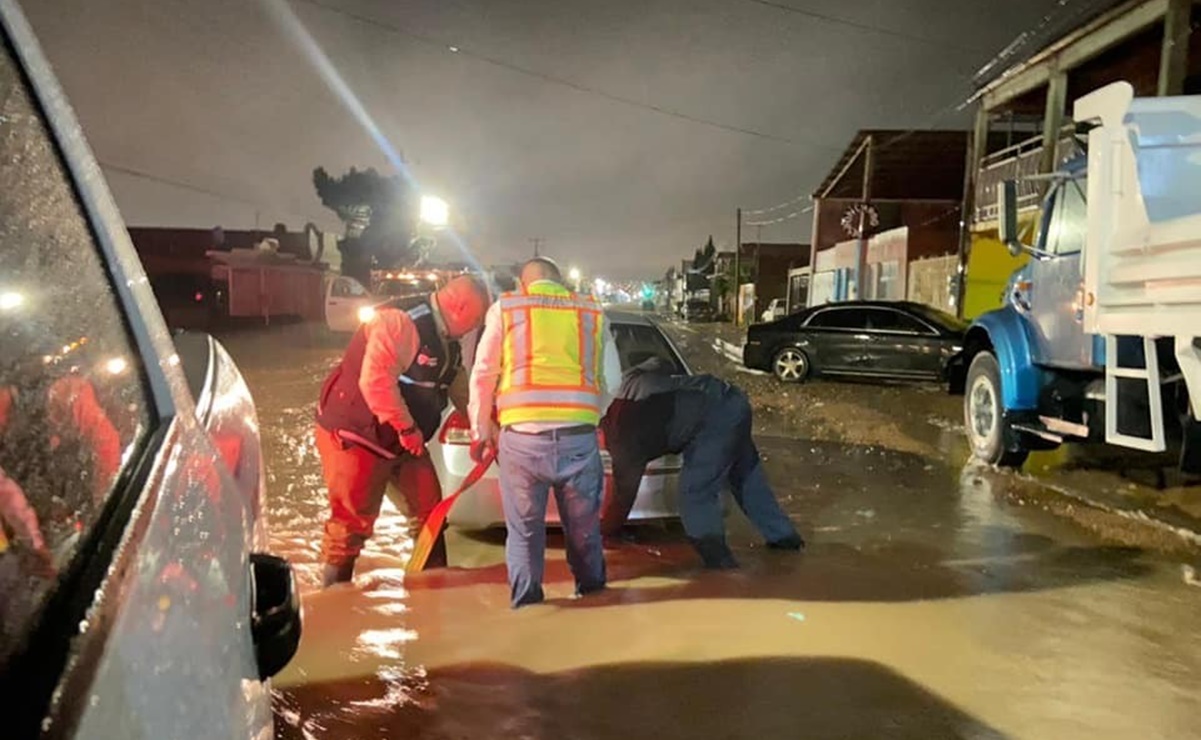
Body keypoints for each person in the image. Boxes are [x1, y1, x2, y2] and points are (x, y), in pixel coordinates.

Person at [315, 274, 489, 587]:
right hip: (359, 437)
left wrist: (485, 428)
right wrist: (408, 429)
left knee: (430, 515)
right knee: (350, 528)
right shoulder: (398, 322)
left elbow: (459, 387)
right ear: (459, 306)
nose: (475, 327)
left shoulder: (447, 339)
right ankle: (333, 601)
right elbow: (376, 382)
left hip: (403, 441)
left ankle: (431, 596)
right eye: (476, 319)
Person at [468, 257, 622, 608]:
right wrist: (590, 414)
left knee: (524, 535)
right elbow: (613, 380)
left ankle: (527, 611)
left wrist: (481, 429)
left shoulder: (506, 308)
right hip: (579, 441)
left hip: (521, 442)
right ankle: (594, 600)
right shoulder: (592, 313)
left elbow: (483, 373)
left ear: (525, 283)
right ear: (563, 282)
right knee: (584, 533)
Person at [600, 357, 803, 568]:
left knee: (695, 493)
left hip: (714, 418)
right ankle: (785, 540)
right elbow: (660, 362)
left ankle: (720, 565)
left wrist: (605, 532)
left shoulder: (622, 441)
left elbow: (623, 496)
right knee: (746, 476)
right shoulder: (626, 386)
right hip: (733, 399)